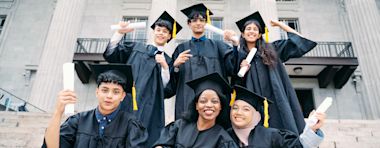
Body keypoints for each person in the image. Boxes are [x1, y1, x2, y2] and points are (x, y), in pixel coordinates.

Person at [224, 11, 317, 134]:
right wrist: (242, 67)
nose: (251, 31)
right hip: (253, 101)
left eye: (255, 29)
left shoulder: (273, 49)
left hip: (276, 97)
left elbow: (300, 41)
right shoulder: (239, 54)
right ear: (243, 33)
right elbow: (233, 78)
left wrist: (281, 25)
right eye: (248, 29)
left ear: (259, 35)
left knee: (282, 129)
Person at [103, 11, 182, 146]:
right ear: (153, 32)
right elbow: (111, 54)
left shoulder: (168, 61)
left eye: (165, 31)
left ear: (169, 36)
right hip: (128, 101)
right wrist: (120, 33)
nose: (161, 33)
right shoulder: (136, 48)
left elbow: (166, 90)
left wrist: (164, 67)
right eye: (158, 30)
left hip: (150, 108)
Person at [42, 64, 148, 147]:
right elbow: (52, 146)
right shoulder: (78, 121)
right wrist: (58, 112)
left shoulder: (131, 124)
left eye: (116, 92)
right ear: (97, 92)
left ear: (123, 96)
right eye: (105, 90)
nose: (109, 96)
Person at [168, 3, 239, 119]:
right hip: (187, 99)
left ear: (206, 23)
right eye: (194, 20)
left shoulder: (218, 46)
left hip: (212, 100)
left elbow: (233, 67)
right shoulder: (181, 49)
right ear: (189, 24)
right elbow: (173, 83)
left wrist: (235, 45)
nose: (198, 23)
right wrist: (175, 66)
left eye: (202, 20)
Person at [153, 73, 238, 147]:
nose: (209, 105)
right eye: (203, 101)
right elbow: (162, 144)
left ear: (221, 106)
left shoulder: (223, 139)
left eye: (214, 101)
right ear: (196, 105)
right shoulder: (179, 127)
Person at [228, 85, 325, 148]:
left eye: (246, 109)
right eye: (235, 108)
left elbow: (299, 146)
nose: (238, 112)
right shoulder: (223, 136)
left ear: (255, 115)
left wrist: (312, 129)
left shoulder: (271, 136)